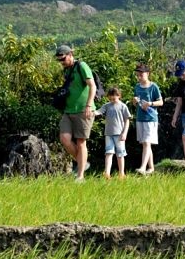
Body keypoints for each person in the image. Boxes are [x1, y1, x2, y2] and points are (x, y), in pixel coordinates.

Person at [55, 44, 96, 182]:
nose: (62, 62)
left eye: (63, 59)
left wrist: (89, 105)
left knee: (81, 142)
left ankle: (80, 176)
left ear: (70, 55)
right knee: (64, 139)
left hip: (84, 110)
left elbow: (92, 85)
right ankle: (83, 163)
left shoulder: (82, 66)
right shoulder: (66, 71)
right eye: (59, 60)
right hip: (68, 110)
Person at [132, 63, 163, 175]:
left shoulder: (153, 86)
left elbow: (161, 102)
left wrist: (150, 103)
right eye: (138, 74)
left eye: (141, 74)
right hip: (140, 118)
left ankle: (143, 168)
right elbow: (136, 103)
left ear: (147, 74)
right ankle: (151, 168)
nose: (139, 76)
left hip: (150, 118)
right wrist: (134, 101)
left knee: (146, 143)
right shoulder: (137, 87)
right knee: (145, 143)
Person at [94, 87, 131, 180]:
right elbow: (99, 111)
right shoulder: (107, 105)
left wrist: (124, 133)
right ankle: (107, 173)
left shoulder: (123, 106)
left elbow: (127, 121)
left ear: (119, 96)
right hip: (108, 134)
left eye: (114, 98)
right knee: (109, 153)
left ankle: (121, 173)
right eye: (110, 99)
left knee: (120, 154)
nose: (112, 100)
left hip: (119, 134)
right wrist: (92, 112)